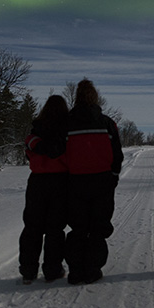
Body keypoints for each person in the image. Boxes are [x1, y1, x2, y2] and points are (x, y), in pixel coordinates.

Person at [64, 79, 124, 285]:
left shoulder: (67, 123)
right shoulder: (107, 123)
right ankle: (92, 269)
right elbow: (117, 154)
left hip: (75, 181)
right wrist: (114, 175)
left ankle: (75, 270)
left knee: (78, 227)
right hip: (102, 181)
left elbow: (60, 153)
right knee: (98, 227)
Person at [19, 95, 70, 285]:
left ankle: (28, 271)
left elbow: (28, 155)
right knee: (55, 228)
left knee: (32, 227)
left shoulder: (34, 133)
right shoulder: (66, 132)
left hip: (37, 181)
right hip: (61, 181)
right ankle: (52, 270)